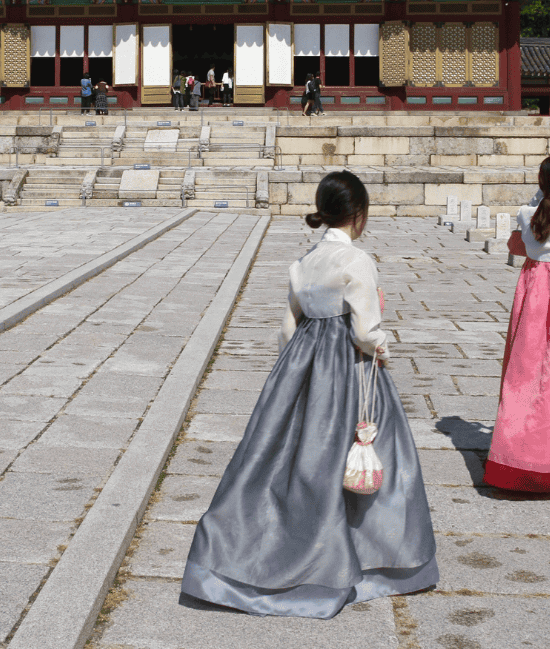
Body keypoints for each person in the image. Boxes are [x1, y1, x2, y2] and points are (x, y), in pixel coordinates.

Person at [181, 170, 438, 617]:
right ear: (359, 214)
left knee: (291, 456)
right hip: (348, 367)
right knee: (369, 454)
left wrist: (292, 375)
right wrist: (382, 346)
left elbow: (287, 326)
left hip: (302, 364)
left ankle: (248, 552)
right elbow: (363, 330)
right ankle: (369, 560)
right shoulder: (356, 260)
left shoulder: (303, 264)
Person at [484, 154, 550, 493]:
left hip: (533, 301)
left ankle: (516, 459)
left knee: (526, 376)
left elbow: (523, 234)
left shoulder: (527, 215)